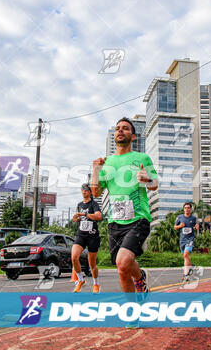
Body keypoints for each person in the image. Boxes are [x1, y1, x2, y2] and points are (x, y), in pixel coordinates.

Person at [91, 117, 158, 294]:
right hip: (115, 222)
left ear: (133, 136)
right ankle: (137, 292)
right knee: (122, 269)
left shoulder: (142, 157)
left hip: (138, 218)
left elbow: (154, 184)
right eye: (118, 128)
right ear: (114, 135)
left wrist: (147, 178)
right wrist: (96, 170)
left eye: (126, 128)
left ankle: (139, 280)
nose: (120, 130)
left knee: (123, 261)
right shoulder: (107, 163)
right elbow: (96, 193)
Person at [71, 183, 103, 293]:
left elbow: (99, 216)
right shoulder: (79, 204)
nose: (83, 191)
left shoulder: (94, 204)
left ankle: (96, 284)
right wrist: (76, 218)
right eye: (82, 189)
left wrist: (85, 215)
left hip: (92, 235)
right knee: (74, 257)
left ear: (90, 192)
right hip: (81, 234)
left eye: (86, 190)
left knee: (92, 263)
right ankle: (80, 280)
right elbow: (78, 218)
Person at [174, 202, 199, 280]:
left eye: (188, 208)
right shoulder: (180, 217)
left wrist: (197, 227)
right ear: (183, 209)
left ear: (191, 209)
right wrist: (179, 226)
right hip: (182, 240)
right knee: (185, 257)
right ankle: (190, 267)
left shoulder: (193, 218)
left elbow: (196, 226)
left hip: (190, 239)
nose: (187, 209)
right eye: (185, 208)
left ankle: (186, 274)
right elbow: (175, 227)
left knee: (185, 254)